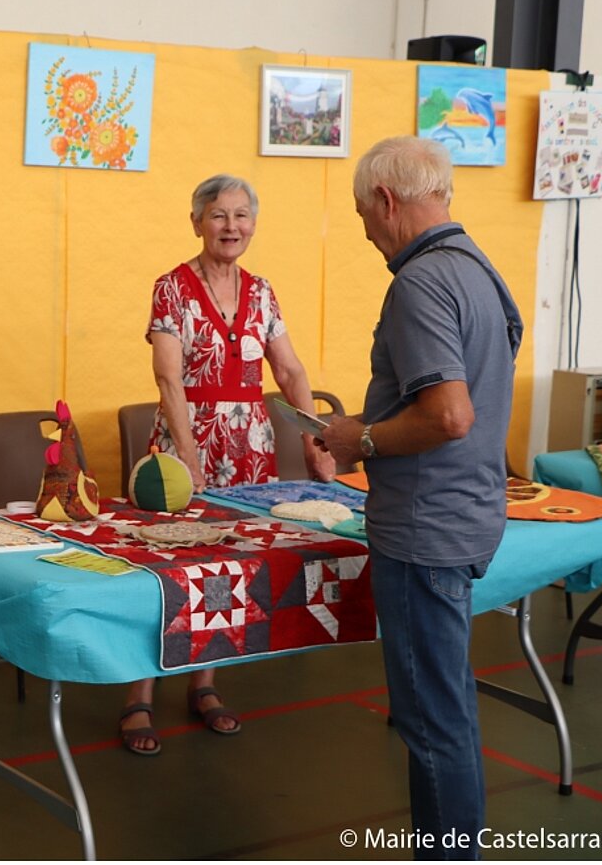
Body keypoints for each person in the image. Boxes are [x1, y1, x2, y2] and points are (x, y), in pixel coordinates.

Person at [320, 136, 523, 858]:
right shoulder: (479, 269)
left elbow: (449, 415)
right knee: (447, 706)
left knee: (432, 722)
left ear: (386, 200)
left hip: (424, 526)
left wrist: (361, 440)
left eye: (361, 216)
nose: (365, 233)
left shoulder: (420, 281)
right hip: (468, 512)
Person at [119, 173, 335, 756]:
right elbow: (168, 377)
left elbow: (289, 371)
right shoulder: (172, 288)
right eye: (218, 215)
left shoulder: (262, 292)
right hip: (185, 442)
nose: (231, 226)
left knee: (230, 566)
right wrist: (188, 456)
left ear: (253, 224)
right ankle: (140, 694)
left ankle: (204, 683)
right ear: (197, 222)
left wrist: (314, 440)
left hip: (250, 446)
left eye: (241, 216)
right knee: (169, 566)